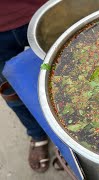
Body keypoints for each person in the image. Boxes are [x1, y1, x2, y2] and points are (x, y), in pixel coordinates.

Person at [0, 0, 49, 173]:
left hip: (45, 9)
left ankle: (66, 143)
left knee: (65, 73)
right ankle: (37, 134)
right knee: (11, 91)